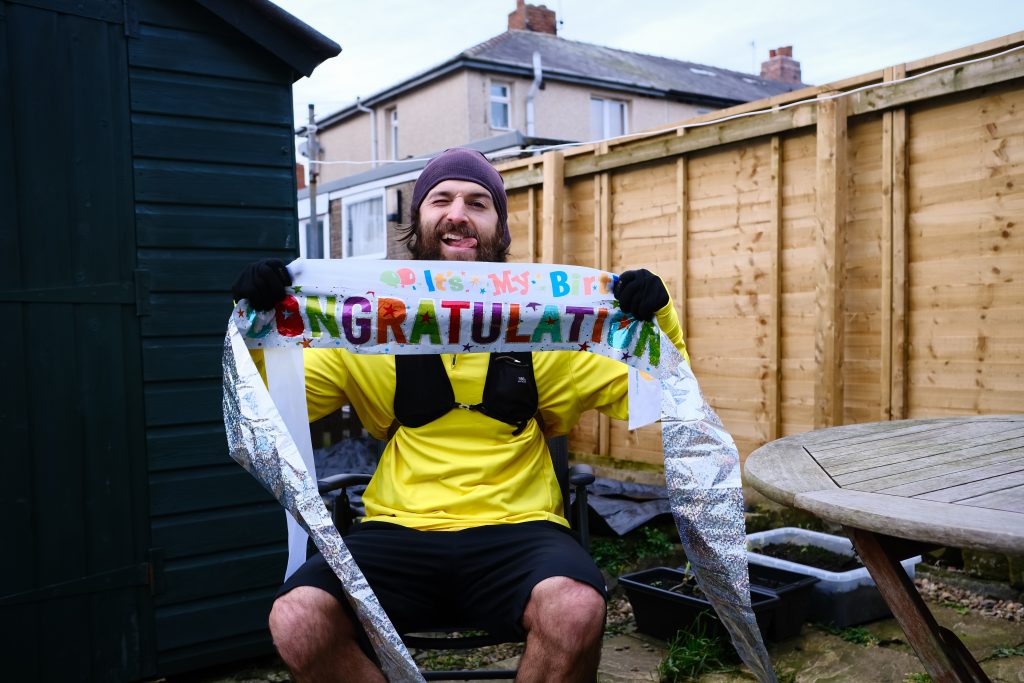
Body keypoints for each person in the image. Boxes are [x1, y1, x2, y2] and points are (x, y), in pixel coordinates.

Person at [231, 148, 688, 683]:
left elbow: (657, 395)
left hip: (520, 530)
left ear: (499, 228)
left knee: (576, 609)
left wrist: (658, 318)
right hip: (397, 530)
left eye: (478, 202)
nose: (458, 213)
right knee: (296, 618)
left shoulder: (550, 326)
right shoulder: (369, 329)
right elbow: (268, 406)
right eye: (441, 199)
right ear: (418, 223)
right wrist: (259, 327)